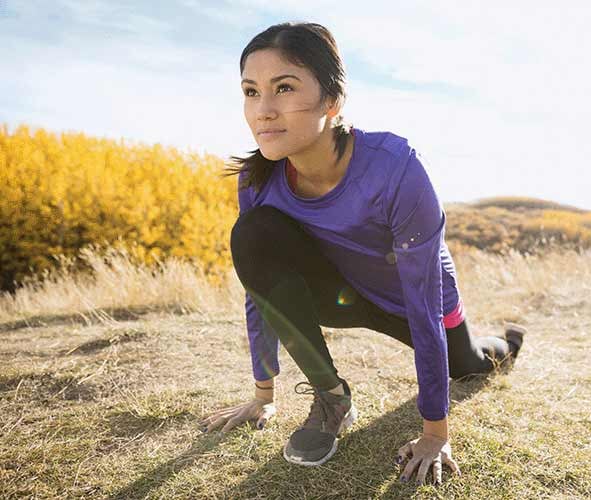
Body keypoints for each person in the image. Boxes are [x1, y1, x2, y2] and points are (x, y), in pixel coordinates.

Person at [198, 22, 526, 487]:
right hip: (341, 294)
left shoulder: (396, 168)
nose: (263, 111)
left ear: (333, 102)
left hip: (413, 301)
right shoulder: (258, 180)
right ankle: (333, 399)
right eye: (251, 92)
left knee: (468, 363)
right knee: (251, 234)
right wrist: (262, 393)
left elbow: (424, 304)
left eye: (284, 88)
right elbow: (261, 287)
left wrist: (434, 432)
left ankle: (506, 342)